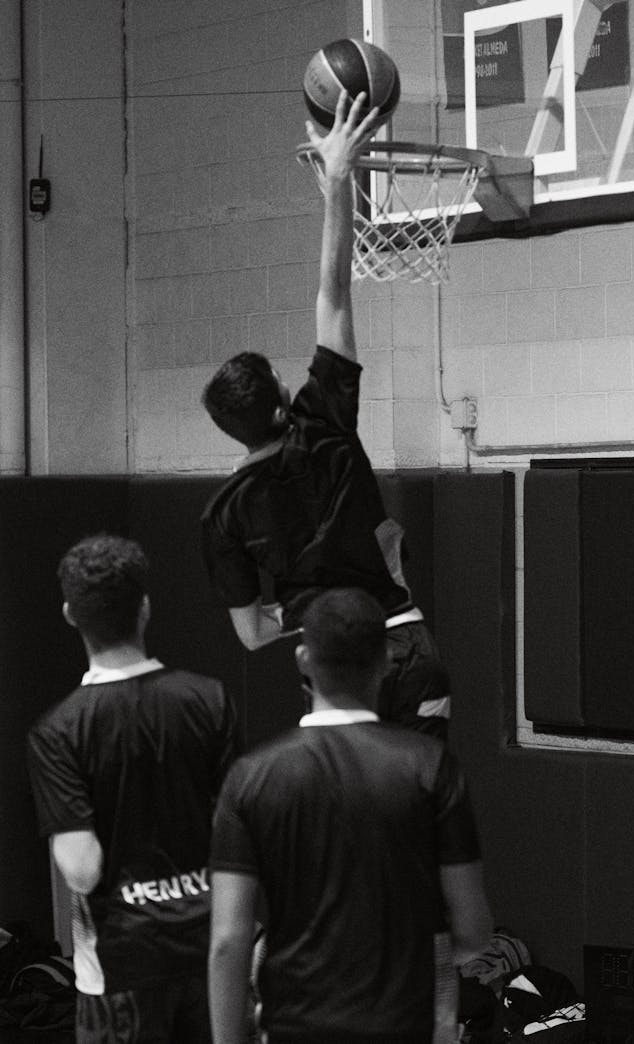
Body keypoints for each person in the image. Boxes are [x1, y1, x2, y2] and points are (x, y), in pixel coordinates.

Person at [200, 89, 451, 740]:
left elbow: (253, 634)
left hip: (334, 663)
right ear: (284, 400)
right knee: (419, 819)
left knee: (347, 829)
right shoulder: (322, 419)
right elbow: (333, 292)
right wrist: (338, 181)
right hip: (406, 645)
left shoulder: (225, 515)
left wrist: (307, 605)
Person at [208, 587, 493, 1044]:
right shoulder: (430, 767)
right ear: (384, 660)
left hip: (295, 1028)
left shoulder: (251, 777)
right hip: (404, 1026)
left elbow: (227, 941)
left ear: (303, 659)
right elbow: (475, 932)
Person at [26, 534, 239, 1044]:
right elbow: (238, 829)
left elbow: (81, 870)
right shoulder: (209, 699)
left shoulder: (58, 731)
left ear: (70, 615)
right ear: (144, 609)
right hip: (209, 948)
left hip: (121, 967)